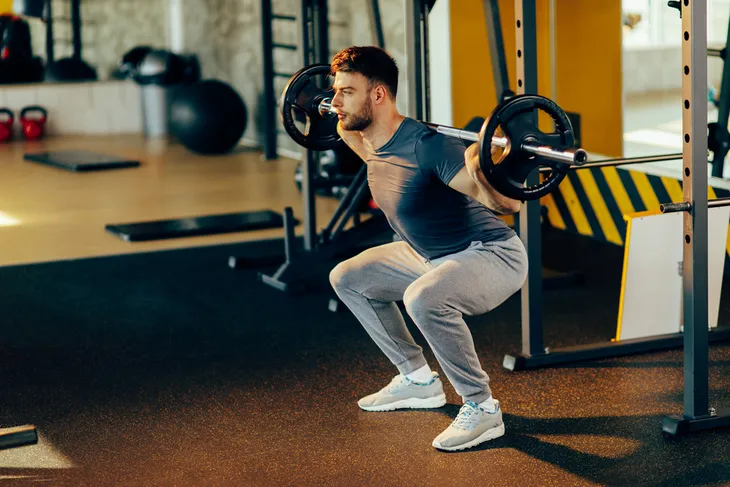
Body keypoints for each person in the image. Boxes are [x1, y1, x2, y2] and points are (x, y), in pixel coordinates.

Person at [328, 46, 529, 452]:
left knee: (423, 298)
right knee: (348, 278)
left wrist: (481, 166)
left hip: (490, 254)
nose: (334, 103)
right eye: (334, 92)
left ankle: (482, 407)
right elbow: (343, 128)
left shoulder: (428, 147)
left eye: (346, 92)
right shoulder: (367, 140)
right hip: (427, 253)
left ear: (379, 95)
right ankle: (417, 379)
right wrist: (337, 110)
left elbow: (508, 206)